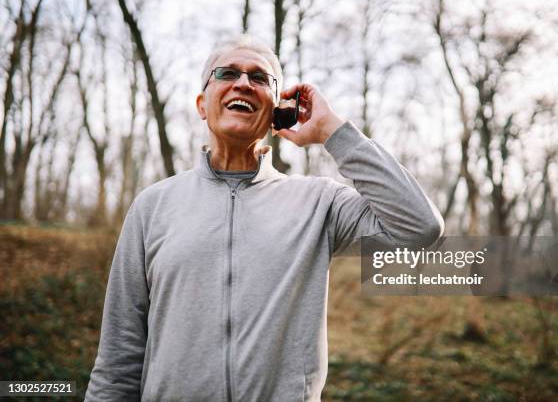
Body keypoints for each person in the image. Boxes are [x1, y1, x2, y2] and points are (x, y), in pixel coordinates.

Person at [85, 35, 444, 402]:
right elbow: (118, 357)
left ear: (278, 113)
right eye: (227, 73)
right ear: (201, 105)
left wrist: (332, 131)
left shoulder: (319, 203)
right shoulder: (153, 206)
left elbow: (420, 227)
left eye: (260, 79)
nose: (243, 83)